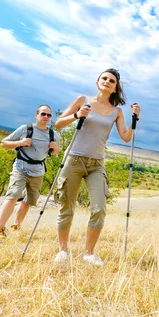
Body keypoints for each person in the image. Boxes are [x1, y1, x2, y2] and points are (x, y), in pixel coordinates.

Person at [53, 68, 141, 266]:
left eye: (112, 80)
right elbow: (58, 124)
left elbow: (126, 137)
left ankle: (89, 253)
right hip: (74, 160)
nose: (107, 81)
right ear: (97, 82)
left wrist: (135, 119)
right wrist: (76, 115)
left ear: (115, 88)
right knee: (67, 207)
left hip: (96, 164)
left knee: (99, 208)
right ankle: (63, 251)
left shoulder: (116, 112)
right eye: (104, 78)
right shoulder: (82, 100)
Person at [0, 105, 60, 243]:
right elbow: (4, 143)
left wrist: (56, 148)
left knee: (28, 201)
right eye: (43, 114)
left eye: (49, 115)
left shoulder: (54, 134)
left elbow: (55, 152)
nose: (46, 117)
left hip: (38, 171)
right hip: (21, 168)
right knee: (13, 196)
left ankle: (16, 227)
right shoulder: (25, 129)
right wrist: (20, 142)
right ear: (36, 115)